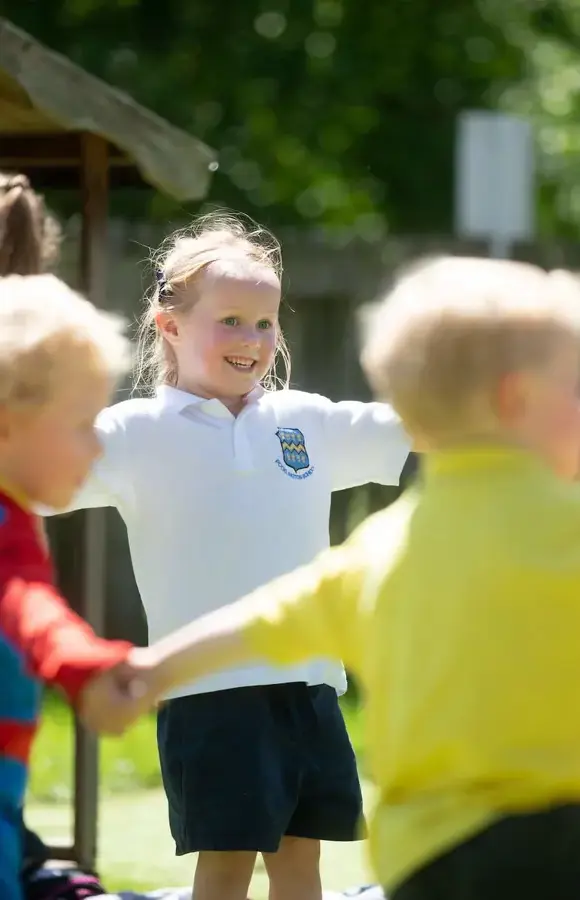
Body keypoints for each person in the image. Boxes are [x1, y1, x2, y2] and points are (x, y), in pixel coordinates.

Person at [130, 257, 580, 900]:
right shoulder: (568, 526)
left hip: (425, 854)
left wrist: (146, 674)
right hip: (561, 830)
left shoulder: (382, 546)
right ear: (515, 401)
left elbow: (268, 620)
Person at [44, 211, 411, 900]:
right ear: (170, 325)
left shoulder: (306, 421)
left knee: (304, 865)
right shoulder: (131, 434)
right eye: (231, 321)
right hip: (207, 694)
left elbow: (430, 423)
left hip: (311, 687)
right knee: (225, 869)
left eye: (265, 323)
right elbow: (33, 476)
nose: (252, 340)